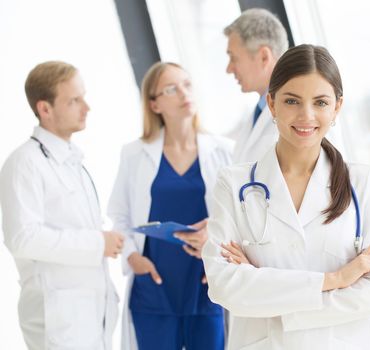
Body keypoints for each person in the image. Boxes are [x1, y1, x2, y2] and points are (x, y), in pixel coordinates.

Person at [203, 44, 370, 350]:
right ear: (272, 103)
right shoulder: (234, 184)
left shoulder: (361, 181)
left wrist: (269, 291)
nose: (306, 116)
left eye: (320, 102)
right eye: (292, 101)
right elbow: (225, 287)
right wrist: (337, 279)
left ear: (337, 107)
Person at [108, 62, 233, 350]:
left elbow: (238, 216)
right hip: (154, 284)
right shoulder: (134, 154)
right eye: (171, 89)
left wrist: (219, 248)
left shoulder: (224, 151)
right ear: (154, 104)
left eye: (187, 84)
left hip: (205, 283)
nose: (183, 93)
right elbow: (119, 215)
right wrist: (132, 258)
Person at [0, 61, 122, 349]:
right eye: (74, 100)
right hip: (58, 321)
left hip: (91, 317)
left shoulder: (72, 162)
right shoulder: (24, 163)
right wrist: (96, 244)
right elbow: (22, 239)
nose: (86, 107)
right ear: (45, 109)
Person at [224, 8, 288, 163]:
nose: (229, 69)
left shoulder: (300, 108)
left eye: (233, 58)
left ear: (264, 57)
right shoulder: (260, 111)